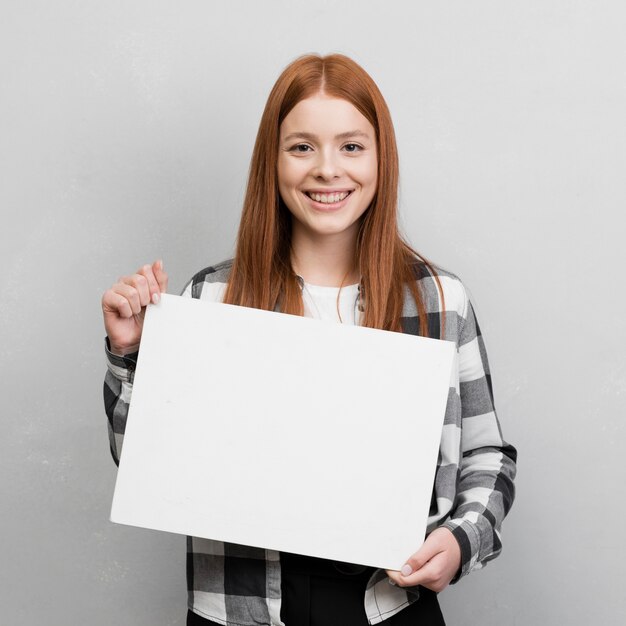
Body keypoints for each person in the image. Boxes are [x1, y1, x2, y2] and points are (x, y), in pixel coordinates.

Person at [102, 53, 517, 626]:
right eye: (302, 147)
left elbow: (486, 453)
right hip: (241, 603)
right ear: (272, 162)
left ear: (380, 158)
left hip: (387, 603)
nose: (327, 170)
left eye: (351, 146)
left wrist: (462, 540)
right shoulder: (211, 298)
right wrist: (129, 354)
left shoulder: (441, 300)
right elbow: (143, 463)